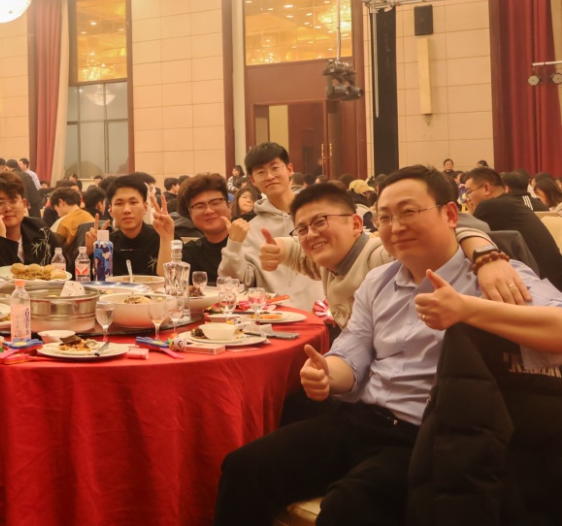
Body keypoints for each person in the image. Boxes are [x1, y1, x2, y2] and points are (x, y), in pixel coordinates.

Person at [212, 165, 562, 526]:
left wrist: (468, 309)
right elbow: (353, 349)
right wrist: (328, 373)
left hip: (428, 435)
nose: (395, 226)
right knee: (243, 468)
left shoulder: (494, 274)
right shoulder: (379, 280)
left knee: (348, 508)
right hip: (362, 419)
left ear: (450, 214)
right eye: (384, 217)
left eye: (408, 212)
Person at [260, 182, 527, 330]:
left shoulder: (381, 257)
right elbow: (300, 251)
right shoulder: (330, 262)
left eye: (320, 222)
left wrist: (486, 255)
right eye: (302, 229)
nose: (311, 234)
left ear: (356, 224)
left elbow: (446, 234)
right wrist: (279, 248)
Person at [218, 142, 324, 311]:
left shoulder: (319, 215)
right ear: (253, 180)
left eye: (275, 168)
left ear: (289, 169)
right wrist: (234, 245)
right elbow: (235, 282)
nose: (269, 176)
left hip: (321, 314)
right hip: (273, 317)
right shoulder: (251, 228)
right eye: (261, 172)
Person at [465, 166, 562, 290]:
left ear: (486, 188)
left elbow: (469, 236)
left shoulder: (489, 206)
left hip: (543, 286)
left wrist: (473, 214)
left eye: (468, 191)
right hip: (554, 279)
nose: (467, 198)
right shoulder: (510, 203)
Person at [0, 172, 65, 276]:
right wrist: (0, 237)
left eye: (13, 201)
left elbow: (64, 266)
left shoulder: (39, 229)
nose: (8, 208)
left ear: (24, 204)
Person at [82, 174, 175, 277]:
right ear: (111, 211)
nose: (127, 210)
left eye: (133, 202)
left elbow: (171, 282)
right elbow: (78, 282)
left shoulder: (161, 238)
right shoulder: (106, 245)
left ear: (145, 207)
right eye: (119, 203)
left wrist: (166, 238)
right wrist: (88, 252)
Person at [177, 174, 233, 284]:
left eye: (215, 203)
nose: (209, 211)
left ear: (229, 205)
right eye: (200, 206)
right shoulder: (191, 252)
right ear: (190, 213)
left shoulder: (250, 242)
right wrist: (166, 236)